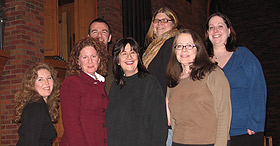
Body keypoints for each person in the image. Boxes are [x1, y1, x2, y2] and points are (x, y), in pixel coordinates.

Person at [205, 12, 267, 146]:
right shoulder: (203, 63)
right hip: (214, 132)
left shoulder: (243, 56)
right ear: (207, 33)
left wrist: (255, 123)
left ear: (228, 31)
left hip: (243, 130)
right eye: (211, 27)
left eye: (220, 26)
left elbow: (258, 88)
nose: (215, 30)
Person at [166, 29, 232, 146]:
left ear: (198, 49)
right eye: (179, 46)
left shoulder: (213, 73)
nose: (184, 49)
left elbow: (224, 112)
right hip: (179, 142)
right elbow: (175, 119)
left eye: (189, 45)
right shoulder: (173, 80)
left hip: (208, 142)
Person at [106, 37, 168, 146]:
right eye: (124, 54)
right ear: (118, 61)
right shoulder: (115, 86)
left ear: (138, 57)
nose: (129, 57)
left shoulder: (150, 83)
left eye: (133, 53)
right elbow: (111, 124)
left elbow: (159, 124)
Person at [60, 37, 109, 146]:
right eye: (85, 57)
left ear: (99, 59)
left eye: (93, 56)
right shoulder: (72, 82)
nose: (90, 61)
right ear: (78, 61)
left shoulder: (100, 83)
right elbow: (71, 122)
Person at [142, 7, 179, 146]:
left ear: (173, 24)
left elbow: (171, 77)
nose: (160, 24)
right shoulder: (153, 47)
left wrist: (167, 107)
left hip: (163, 110)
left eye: (165, 20)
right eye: (157, 21)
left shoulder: (171, 43)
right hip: (152, 107)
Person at [14, 63, 60, 146]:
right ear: (32, 85)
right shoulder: (35, 107)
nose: (46, 82)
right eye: (40, 79)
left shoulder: (42, 106)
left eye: (49, 78)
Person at [88, 18, 113, 93]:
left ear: (109, 38)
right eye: (95, 32)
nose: (99, 36)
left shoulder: (117, 63)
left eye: (104, 32)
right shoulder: (78, 64)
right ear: (89, 37)